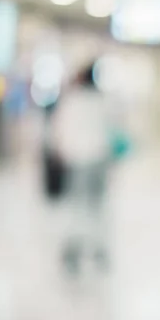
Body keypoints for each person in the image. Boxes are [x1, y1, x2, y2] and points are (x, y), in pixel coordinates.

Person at [50, 62, 116, 275]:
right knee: (97, 207)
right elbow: (113, 130)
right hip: (99, 159)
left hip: (78, 160)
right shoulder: (102, 101)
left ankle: (73, 251)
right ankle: (99, 251)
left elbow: (57, 132)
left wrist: (60, 154)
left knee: (77, 206)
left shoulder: (71, 101)